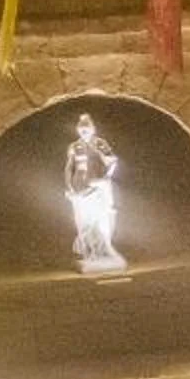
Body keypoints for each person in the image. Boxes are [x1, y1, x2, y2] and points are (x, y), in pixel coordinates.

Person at [65, 112, 124, 272]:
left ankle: (105, 248)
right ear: (78, 130)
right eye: (81, 128)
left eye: (87, 127)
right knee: (84, 222)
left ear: (93, 129)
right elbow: (69, 167)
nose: (84, 131)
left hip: (98, 187)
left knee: (104, 219)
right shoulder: (74, 146)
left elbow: (112, 161)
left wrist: (105, 179)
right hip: (80, 189)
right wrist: (69, 187)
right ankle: (88, 252)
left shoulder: (100, 143)